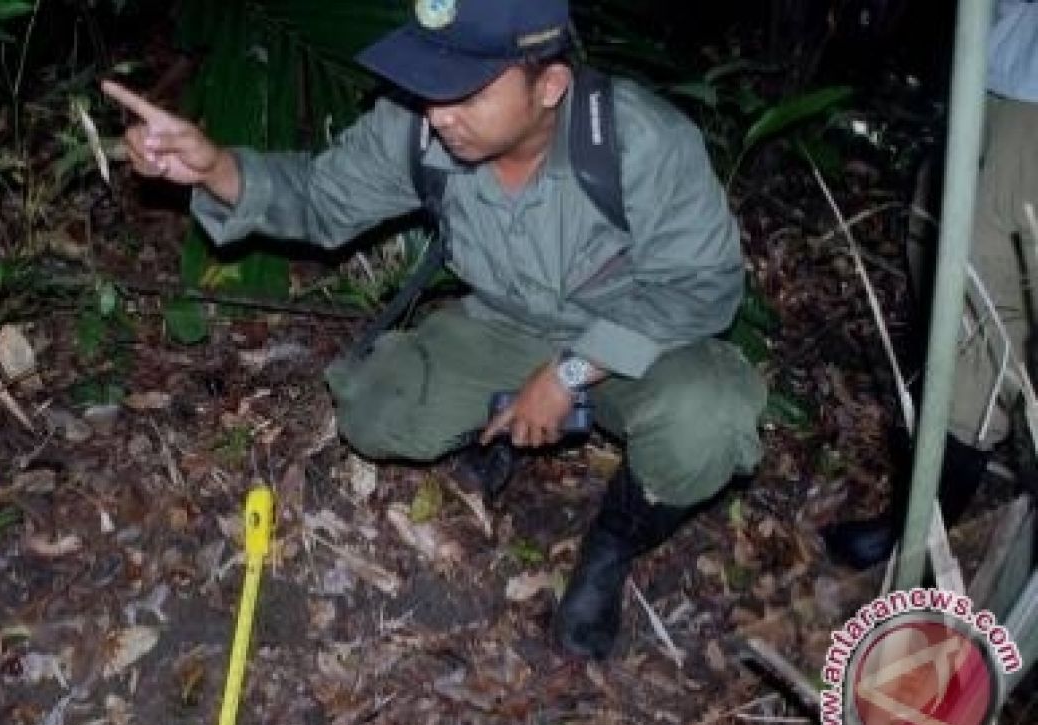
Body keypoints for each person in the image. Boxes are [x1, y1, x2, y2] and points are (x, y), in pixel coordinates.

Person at [102, 0, 765, 660]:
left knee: (707, 419)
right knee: (375, 412)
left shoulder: (640, 143)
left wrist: (569, 372)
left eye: (465, 90)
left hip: (636, 341)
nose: (439, 111)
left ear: (550, 86)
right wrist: (215, 168)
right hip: (503, 326)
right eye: (429, 81)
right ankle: (506, 427)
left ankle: (611, 550)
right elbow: (318, 199)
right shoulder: (419, 127)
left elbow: (702, 285)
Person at [824, 0, 1038, 571]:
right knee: (932, 249)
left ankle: (917, 541)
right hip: (989, 67)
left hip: (1032, 103)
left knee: (979, 317)